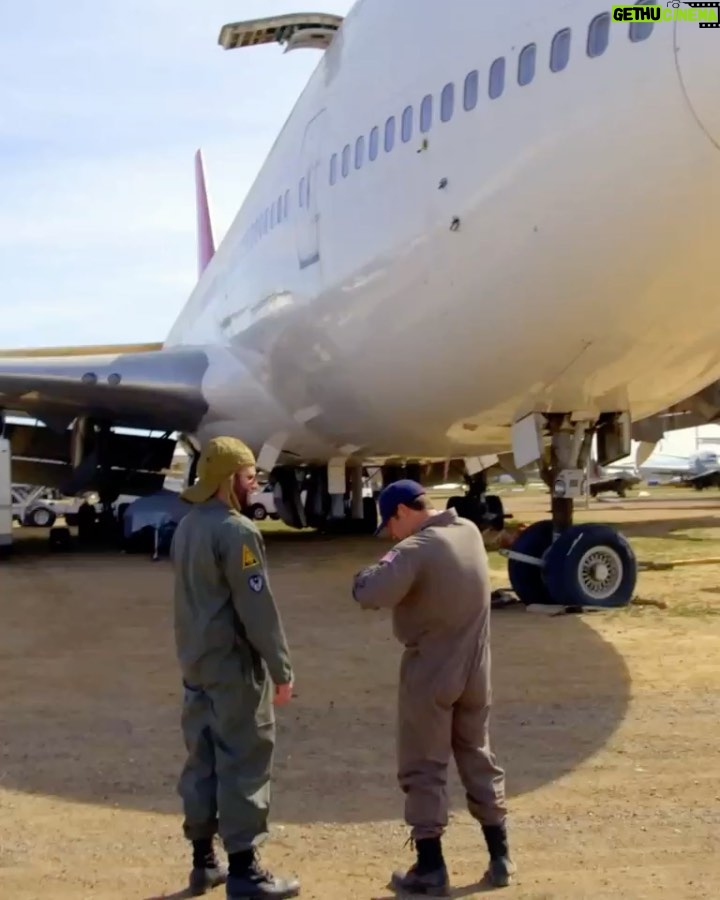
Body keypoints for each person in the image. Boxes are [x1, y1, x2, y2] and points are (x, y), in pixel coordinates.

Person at [352, 480, 515, 894]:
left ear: (403, 511)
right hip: (476, 668)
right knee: (478, 755)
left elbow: (370, 591)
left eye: (390, 523)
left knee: (424, 765)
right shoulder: (469, 532)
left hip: (433, 671)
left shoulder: (414, 549)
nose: (390, 533)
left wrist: (370, 570)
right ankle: (500, 857)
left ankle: (431, 867)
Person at [170, 436, 300, 899]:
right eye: (248, 477)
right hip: (232, 666)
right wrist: (281, 668)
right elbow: (257, 609)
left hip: (195, 662)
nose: (254, 485)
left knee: (201, 760)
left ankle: (203, 862)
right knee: (244, 759)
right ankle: (245, 871)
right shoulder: (237, 531)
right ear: (229, 480)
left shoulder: (186, 526)